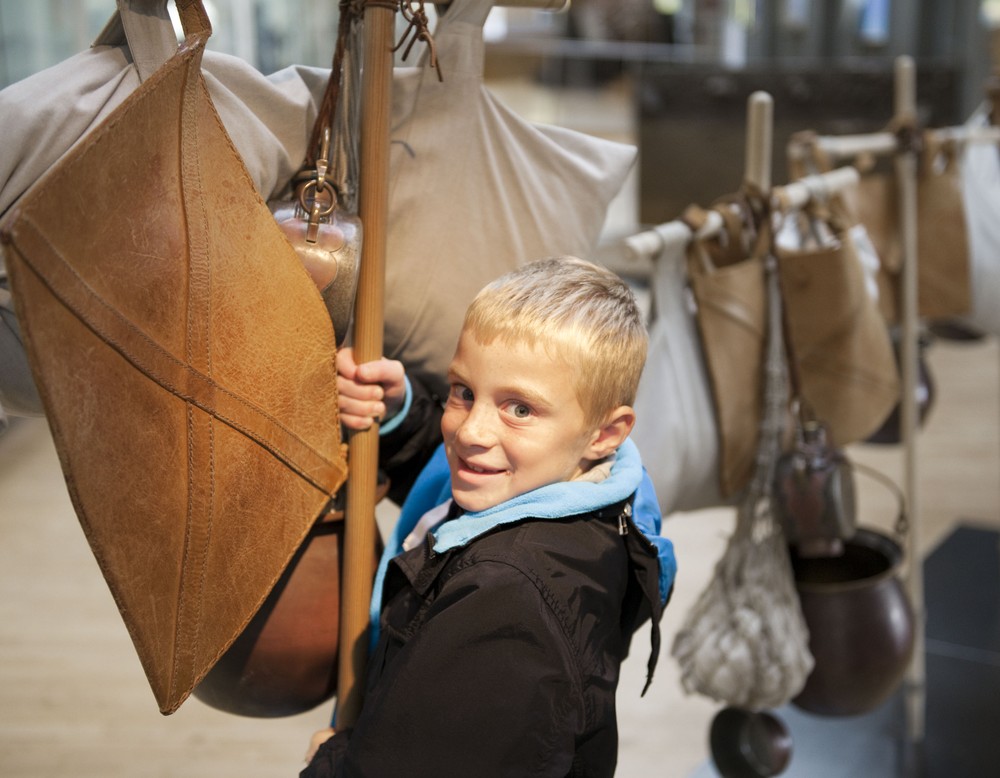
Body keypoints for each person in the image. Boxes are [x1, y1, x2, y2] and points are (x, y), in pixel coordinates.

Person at [303, 256, 676, 777]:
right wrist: (402, 418)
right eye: (464, 392)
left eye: (519, 409)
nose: (471, 432)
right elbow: (464, 492)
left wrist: (333, 757)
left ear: (605, 433)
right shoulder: (603, 488)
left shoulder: (504, 601)